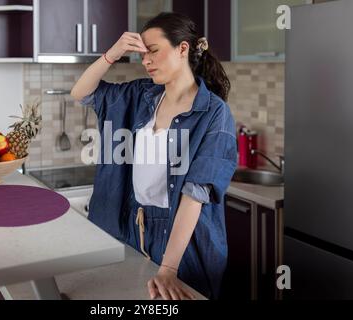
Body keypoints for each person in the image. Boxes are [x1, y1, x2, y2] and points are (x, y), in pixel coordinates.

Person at [71, 12, 237, 300]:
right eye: (143, 54)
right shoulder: (141, 95)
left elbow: (195, 193)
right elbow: (81, 93)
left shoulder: (214, 113)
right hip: (134, 227)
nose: (145, 61)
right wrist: (113, 54)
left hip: (185, 245)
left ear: (182, 49)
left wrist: (169, 268)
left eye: (154, 51)